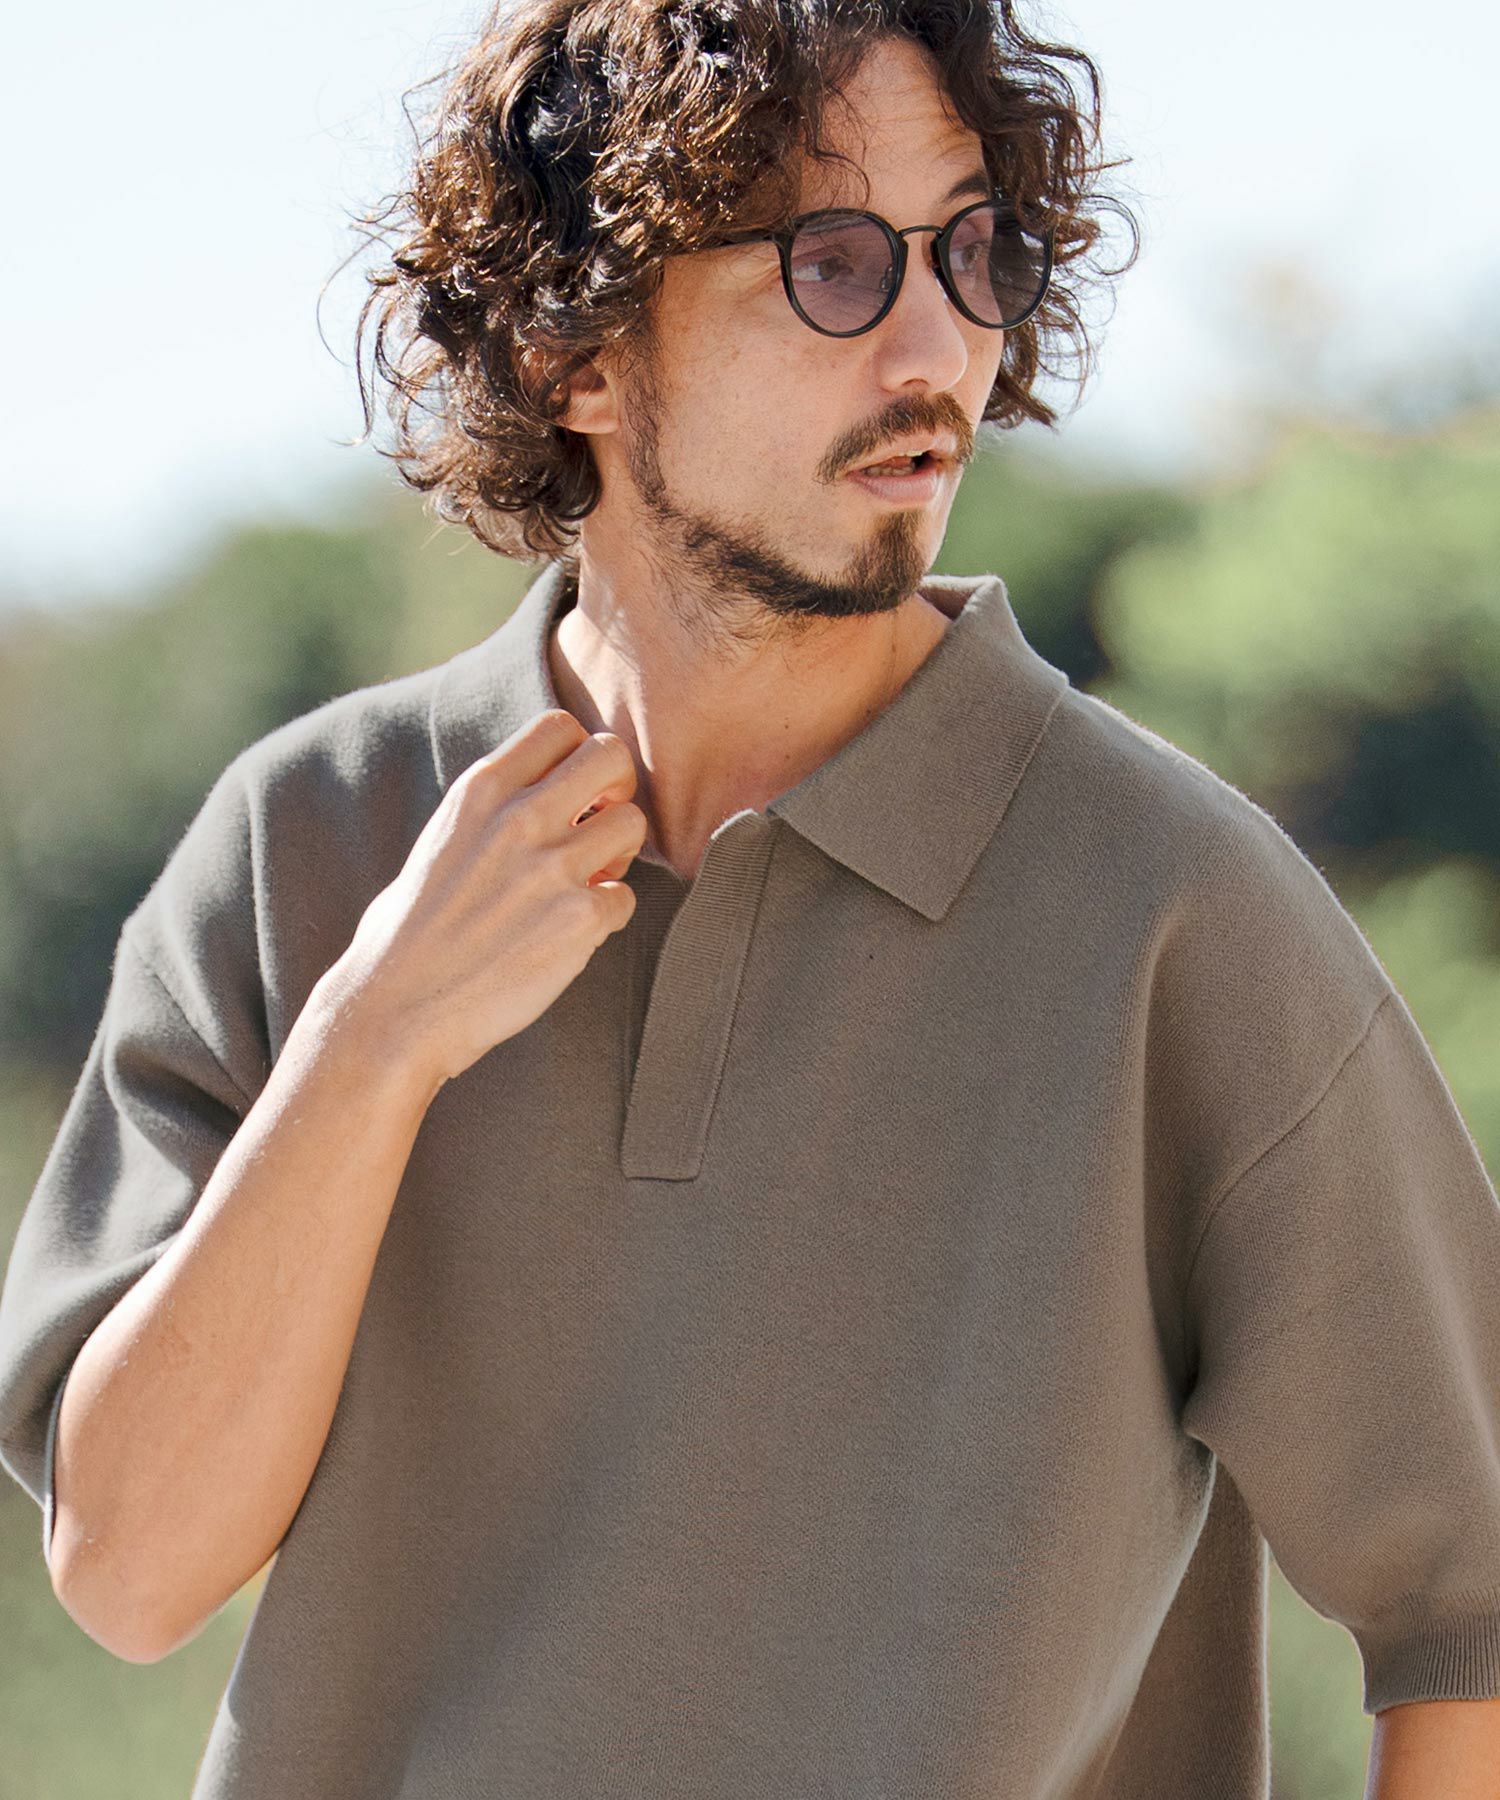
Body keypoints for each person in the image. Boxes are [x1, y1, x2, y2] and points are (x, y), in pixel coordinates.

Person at [2, 1, 1499, 1795]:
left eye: (972, 251)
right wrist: (376, 1042)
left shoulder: (1180, 913)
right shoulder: (314, 839)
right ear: (574, 348)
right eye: (833, 264)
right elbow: (131, 1573)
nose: (937, 346)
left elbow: (1470, 1613)